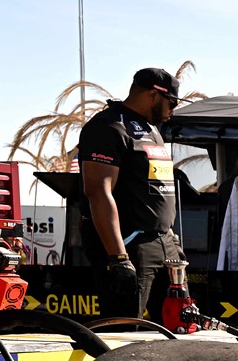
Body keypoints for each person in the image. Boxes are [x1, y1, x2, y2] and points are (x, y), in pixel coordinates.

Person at [76, 67, 190, 320]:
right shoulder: (108, 126)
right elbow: (97, 191)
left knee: (177, 325)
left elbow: (156, 189)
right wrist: (118, 258)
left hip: (164, 245)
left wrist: (171, 239)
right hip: (130, 246)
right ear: (152, 95)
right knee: (125, 330)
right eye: (171, 102)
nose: (173, 110)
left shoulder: (152, 130)